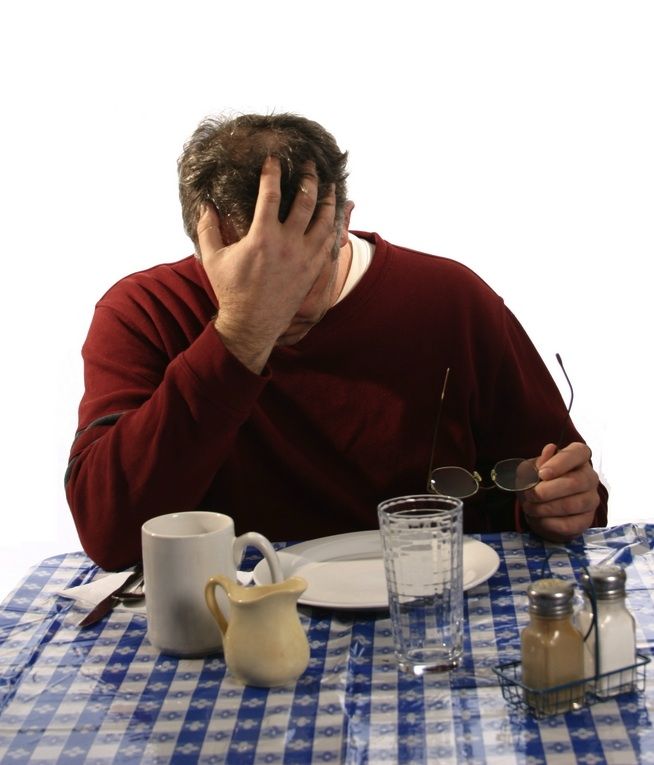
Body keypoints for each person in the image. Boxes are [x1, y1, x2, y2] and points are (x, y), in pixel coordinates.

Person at [65, 113, 607, 571]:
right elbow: (111, 535)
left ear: (344, 221)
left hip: (429, 603)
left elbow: (563, 490)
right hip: (232, 623)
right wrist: (240, 333)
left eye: (307, 263)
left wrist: (559, 503)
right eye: (253, 270)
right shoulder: (143, 312)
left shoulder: (451, 299)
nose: (288, 303)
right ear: (204, 242)